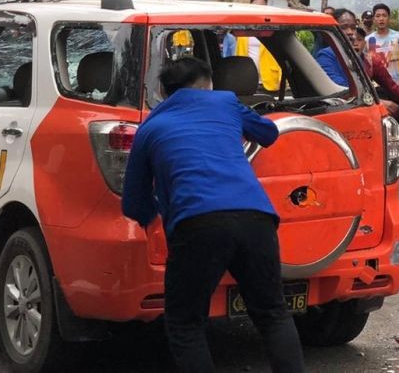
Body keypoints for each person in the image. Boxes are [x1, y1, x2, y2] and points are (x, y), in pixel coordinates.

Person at [121, 56, 304, 373]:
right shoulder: (226, 103)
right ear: (207, 84)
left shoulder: (149, 128)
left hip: (196, 225)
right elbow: (269, 133)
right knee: (272, 312)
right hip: (256, 218)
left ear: (164, 92)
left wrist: (155, 213)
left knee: (185, 322)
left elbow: (133, 202)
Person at [367, 3, 399, 82]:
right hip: (379, 86)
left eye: (384, 15)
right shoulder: (368, 40)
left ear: (389, 18)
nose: (381, 19)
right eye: (378, 16)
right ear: (373, 19)